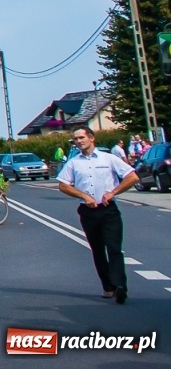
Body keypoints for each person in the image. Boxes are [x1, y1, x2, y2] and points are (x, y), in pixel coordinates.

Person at [57, 127, 139, 304]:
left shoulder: (108, 158)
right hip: (88, 211)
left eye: (81, 137)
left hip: (108, 209)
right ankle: (108, 287)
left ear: (91, 138)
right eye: (76, 139)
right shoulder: (73, 162)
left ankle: (120, 286)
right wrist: (83, 196)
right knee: (98, 249)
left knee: (114, 248)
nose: (79, 141)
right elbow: (63, 185)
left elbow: (132, 177)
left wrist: (113, 192)